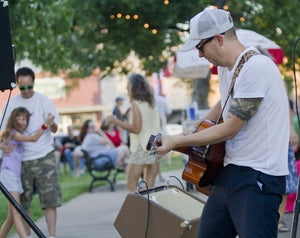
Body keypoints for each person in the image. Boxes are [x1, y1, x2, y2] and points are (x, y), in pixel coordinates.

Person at [155, 9, 289, 238]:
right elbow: (222, 106)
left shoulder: (255, 67)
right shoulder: (231, 69)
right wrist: (195, 128)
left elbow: (231, 127)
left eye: (200, 47)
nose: (199, 55)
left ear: (218, 39)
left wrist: (178, 139)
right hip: (232, 171)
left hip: (258, 176)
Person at [0, 67, 62, 238]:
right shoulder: (10, 104)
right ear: (17, 84)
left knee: (50, 200)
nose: (26, 91)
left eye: (29, 87)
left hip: (44, 155)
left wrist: (50, 124)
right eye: (22, 87)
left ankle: (51, 236)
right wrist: (1, 146)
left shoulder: (44, 101)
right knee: (23, 204)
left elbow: (55, 127)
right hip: (21, 162)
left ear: (34, 82)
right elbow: (2, 132)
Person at [0, 107, 54, 238]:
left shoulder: (12, 134)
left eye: (24, 119)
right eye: (18, 118)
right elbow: (33, 138)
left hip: (14, 175)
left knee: (12, 217)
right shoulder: (13, 133)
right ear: (12, 119)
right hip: (8, 173)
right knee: (18, 212)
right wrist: (45, 124)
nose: (20, 121)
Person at [107, 73, 162, 192]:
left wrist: (115, 121)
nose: (126, 88)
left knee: (131, 184)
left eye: (128, 85)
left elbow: (136, 128)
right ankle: (149, 209)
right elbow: (160, 123)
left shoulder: (136, 104)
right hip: (156, 145)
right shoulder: (151, 104)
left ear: (134, 87)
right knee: (149, 187)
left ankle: (139, 209)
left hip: (141, 147)